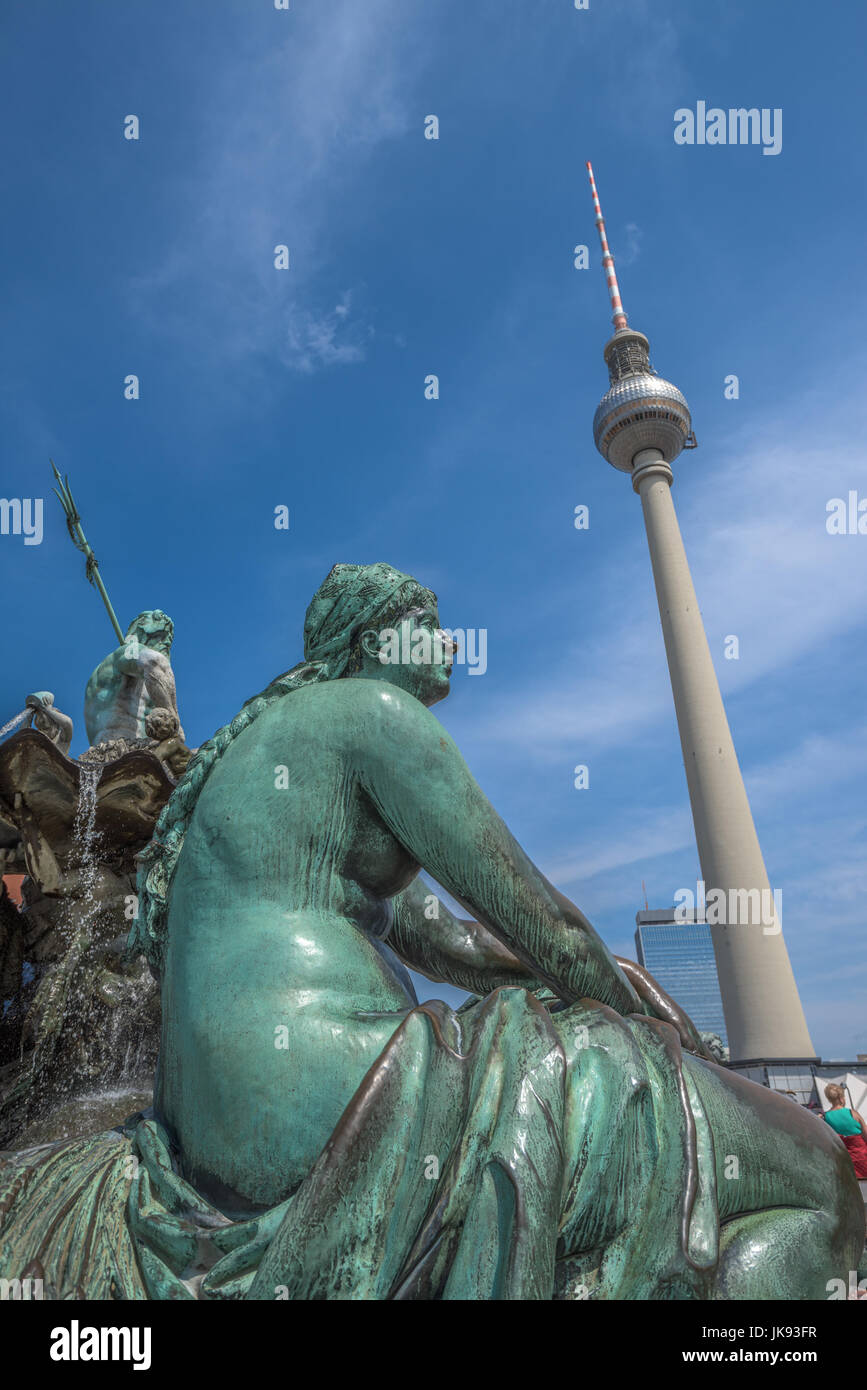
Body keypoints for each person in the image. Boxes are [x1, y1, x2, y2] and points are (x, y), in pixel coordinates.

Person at [1, 563, 863, 1300]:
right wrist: (658, 1034)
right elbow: (543, 923)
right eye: (430, 626)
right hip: (329, 1084)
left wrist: (602, 983)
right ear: (377, 641)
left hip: (216, 1123)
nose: (450, 646)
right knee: (816, 1177)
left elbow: (452, 945)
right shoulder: (370, 712)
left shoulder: (284, 750)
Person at [823, 1083, 867, 1179]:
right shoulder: (853, 1113)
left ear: (829, 1099)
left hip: (843, 1161)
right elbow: (866, 1134)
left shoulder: (825, 1117)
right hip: (862, 1158)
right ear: (841, 1098)